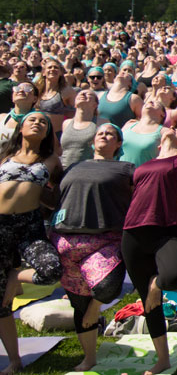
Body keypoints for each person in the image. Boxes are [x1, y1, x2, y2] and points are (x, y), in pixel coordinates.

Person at [53, 123, 134, 371]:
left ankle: (95, 310)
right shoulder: (74, 167)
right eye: (100, 133)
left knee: (106, 289)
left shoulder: (126, 169)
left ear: (118, 144)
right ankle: (89, 358)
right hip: (66, 239)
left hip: (104, 239)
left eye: (110, 134)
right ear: (92, 142)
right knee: (79, 304)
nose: (104, 136)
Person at [122, 129, 177, 375]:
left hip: (166, 228)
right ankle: (163, 359)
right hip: (133, 231)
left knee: (174, 277)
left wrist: (176, 190)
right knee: (149, 302)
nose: (175, 128)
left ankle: (156, 284)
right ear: (158, 145)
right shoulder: (144, 165)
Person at [0, 112, 63, 375]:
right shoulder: (4, 155)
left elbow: (58, 198)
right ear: (21, 127)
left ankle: (16, 276)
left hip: (29, 227)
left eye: (43, 122)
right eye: (32, 120)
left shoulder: (52, 160)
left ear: (48, 132)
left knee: (51, 270)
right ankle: (15, 360)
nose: (38, 123)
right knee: (1, 304)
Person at [120, 98, 167, 167]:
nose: (150, 101)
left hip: (146, 173)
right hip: (119, 172)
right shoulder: (128, 125)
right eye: (146, 102)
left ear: (163, 114)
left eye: (157, 103)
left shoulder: (165, 132)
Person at [60, 90, 101, 169]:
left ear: (95, 104)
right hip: (65, 170)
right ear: (75, 104)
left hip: (88, 170)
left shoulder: (101, 123)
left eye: (88, 94)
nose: (82, 94)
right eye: (79, 94)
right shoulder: (66, 123)